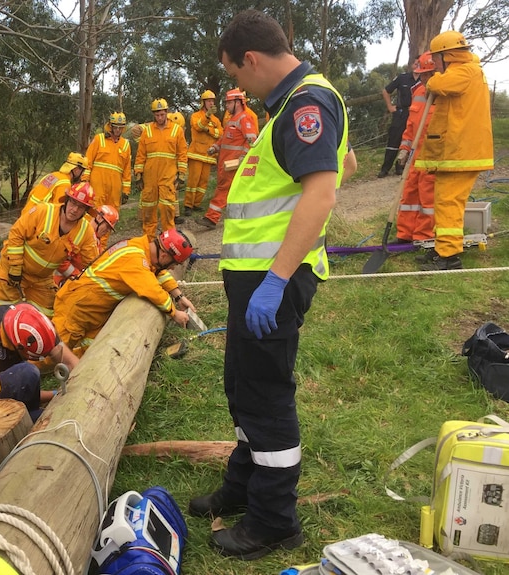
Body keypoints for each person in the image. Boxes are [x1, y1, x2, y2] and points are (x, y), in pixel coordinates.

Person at [187, 10, 348, 560]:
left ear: (250, 59)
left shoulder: (306, 102)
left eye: (234, 74)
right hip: (256, 281)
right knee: (242, 387)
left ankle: (274, 518)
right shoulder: (290, 104)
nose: (236, 86)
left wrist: (277, 279)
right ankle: (243, 485)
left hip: (273, 280)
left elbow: (321, 193)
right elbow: (340, 161)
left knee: (266, 397)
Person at [415, 30, 494, 270]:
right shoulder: (469, 70)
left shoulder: (463, 71)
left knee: (448, 202)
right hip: (460, 151)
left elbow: (437, 82)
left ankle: (449, 257)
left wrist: (431, 80)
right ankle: (443, 247)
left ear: (446, 56)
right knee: (447, 202)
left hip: (460, 151)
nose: (434, 65)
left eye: (436, 60)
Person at [53, 229, 195, 357]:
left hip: (94, 310)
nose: (172, 268)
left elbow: (158, 272)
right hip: (77, 308)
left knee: (94, 353)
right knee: (51, 353)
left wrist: (179, 296)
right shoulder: (135, 260)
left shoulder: (143, 249)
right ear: (164, 256)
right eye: (174, 264)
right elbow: (152, 289)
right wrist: (174, 313)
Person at [0, 182, 99, 317]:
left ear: (86, 211)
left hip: (42, 279)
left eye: (81, 207)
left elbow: (93, 265)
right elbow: (16, 233)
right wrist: (15, 266)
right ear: (66, 200)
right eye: (73, 203)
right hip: (13, 270)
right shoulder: (43, 212)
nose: (75, 209)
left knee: (47, 315)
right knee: (3, 312)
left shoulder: (85, 232)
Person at [0, 302, 79, 419]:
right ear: (18, 346)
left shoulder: (31, 319)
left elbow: (70, 361)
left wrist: (82, 383)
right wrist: (54, 395)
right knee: (27, 373)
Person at [197, 89, 258, 229]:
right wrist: (215, 147)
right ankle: (242, 217)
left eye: (229, 102)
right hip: (226, 163)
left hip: (233, 164)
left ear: (238, 102)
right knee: (232, 191)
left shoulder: (245, 118)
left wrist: (243, 158)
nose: (226, 106)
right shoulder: (232, 120)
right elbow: (224, 139)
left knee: (223, 190)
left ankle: (212, 218)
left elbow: (251, 141)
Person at [395, 53, 436, 243]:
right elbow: (411, 124)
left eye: (429, 74)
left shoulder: (444, 93)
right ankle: (405, 234)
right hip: (415, 153)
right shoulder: (418, 91)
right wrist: (404, 147)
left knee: (428, 198)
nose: (425, 78)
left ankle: (423, 236)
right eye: (423, 74)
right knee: (409, 194)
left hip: (433, 154)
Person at [134, 99, 188, 238]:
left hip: (168, 176)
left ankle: (169, 239)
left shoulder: (177, 130)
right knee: (148, 210)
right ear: (154, 115)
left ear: (167, 113)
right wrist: (138, 174)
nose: (159, 117)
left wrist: (181, 174)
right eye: (157, 115)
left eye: (162, 114)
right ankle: (148, 241)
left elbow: (182, 154)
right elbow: (141, 154)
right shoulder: (147, 132)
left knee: (167, 208)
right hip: (149, 178)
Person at [84, 112, 131, 249]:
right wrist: (85, 181)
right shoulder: (99, 139)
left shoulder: (126, 145)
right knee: (93, 215)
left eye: (120, 128)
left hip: (114, 191)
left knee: (110, 219)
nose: (117, 130)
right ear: (110, 126)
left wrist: (126, 191)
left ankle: (101, 248)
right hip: (97, 188)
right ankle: (87, 244)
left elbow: (127, 170)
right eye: (115, 127)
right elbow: (88, 161)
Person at [53, 204, 119, 287]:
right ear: (99, 219)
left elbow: (99, 261)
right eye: (107, 227)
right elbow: (60, 259)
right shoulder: (80, 232)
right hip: (62, 281)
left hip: (79, 281)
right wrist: (78, 276)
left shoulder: (96, 241)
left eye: (110, 229)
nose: (107, 231)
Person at [184, 90, 222, 216]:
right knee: (193, 181)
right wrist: (206, 118)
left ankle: (196, 204)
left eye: (212, 101)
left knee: (203, 182)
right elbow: (198, 127)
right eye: (209, 101)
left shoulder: (216, 119)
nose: (211, 103)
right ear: (203, 102)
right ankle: (188, 205)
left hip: (208, 155)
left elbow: (220, 134)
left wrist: (209, 130)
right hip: (196, 153)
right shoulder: (196, 116)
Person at [21, 152, 88, 216]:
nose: (83, 174)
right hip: (37, 218)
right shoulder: (65, 184)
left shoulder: (53, 175)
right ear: (76, 169)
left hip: (27, 213)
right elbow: (58, 210)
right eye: (83, 171)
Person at [378, 65, 416, 177]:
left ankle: (401, 166)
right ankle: (385, 168)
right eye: (416, 63)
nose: (417, 65)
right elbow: (386, 91)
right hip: (401, 113)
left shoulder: (425, 79)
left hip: (416, 113)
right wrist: (390, 107)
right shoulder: (402, 78)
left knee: (412, 140)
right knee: (394, 139)